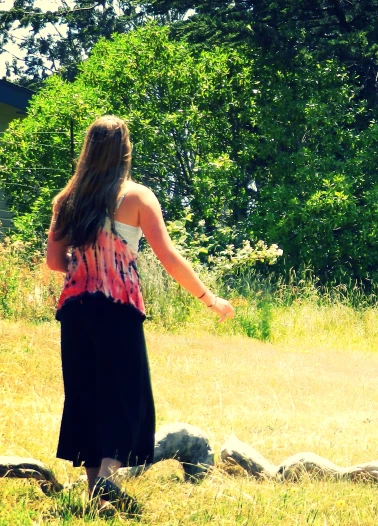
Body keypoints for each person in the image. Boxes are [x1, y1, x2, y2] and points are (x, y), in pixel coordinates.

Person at [46, 115, 235, 512]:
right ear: (125, 151)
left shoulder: (67, 200)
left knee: (86, 395)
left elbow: (53, 261)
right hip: (118, 310)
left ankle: (96, 487)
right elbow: (168, 258)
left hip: (76, 311)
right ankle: (110, 481)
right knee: (123, 394)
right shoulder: (137, 197)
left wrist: (87, 269)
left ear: (88, 150)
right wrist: (209, 298)